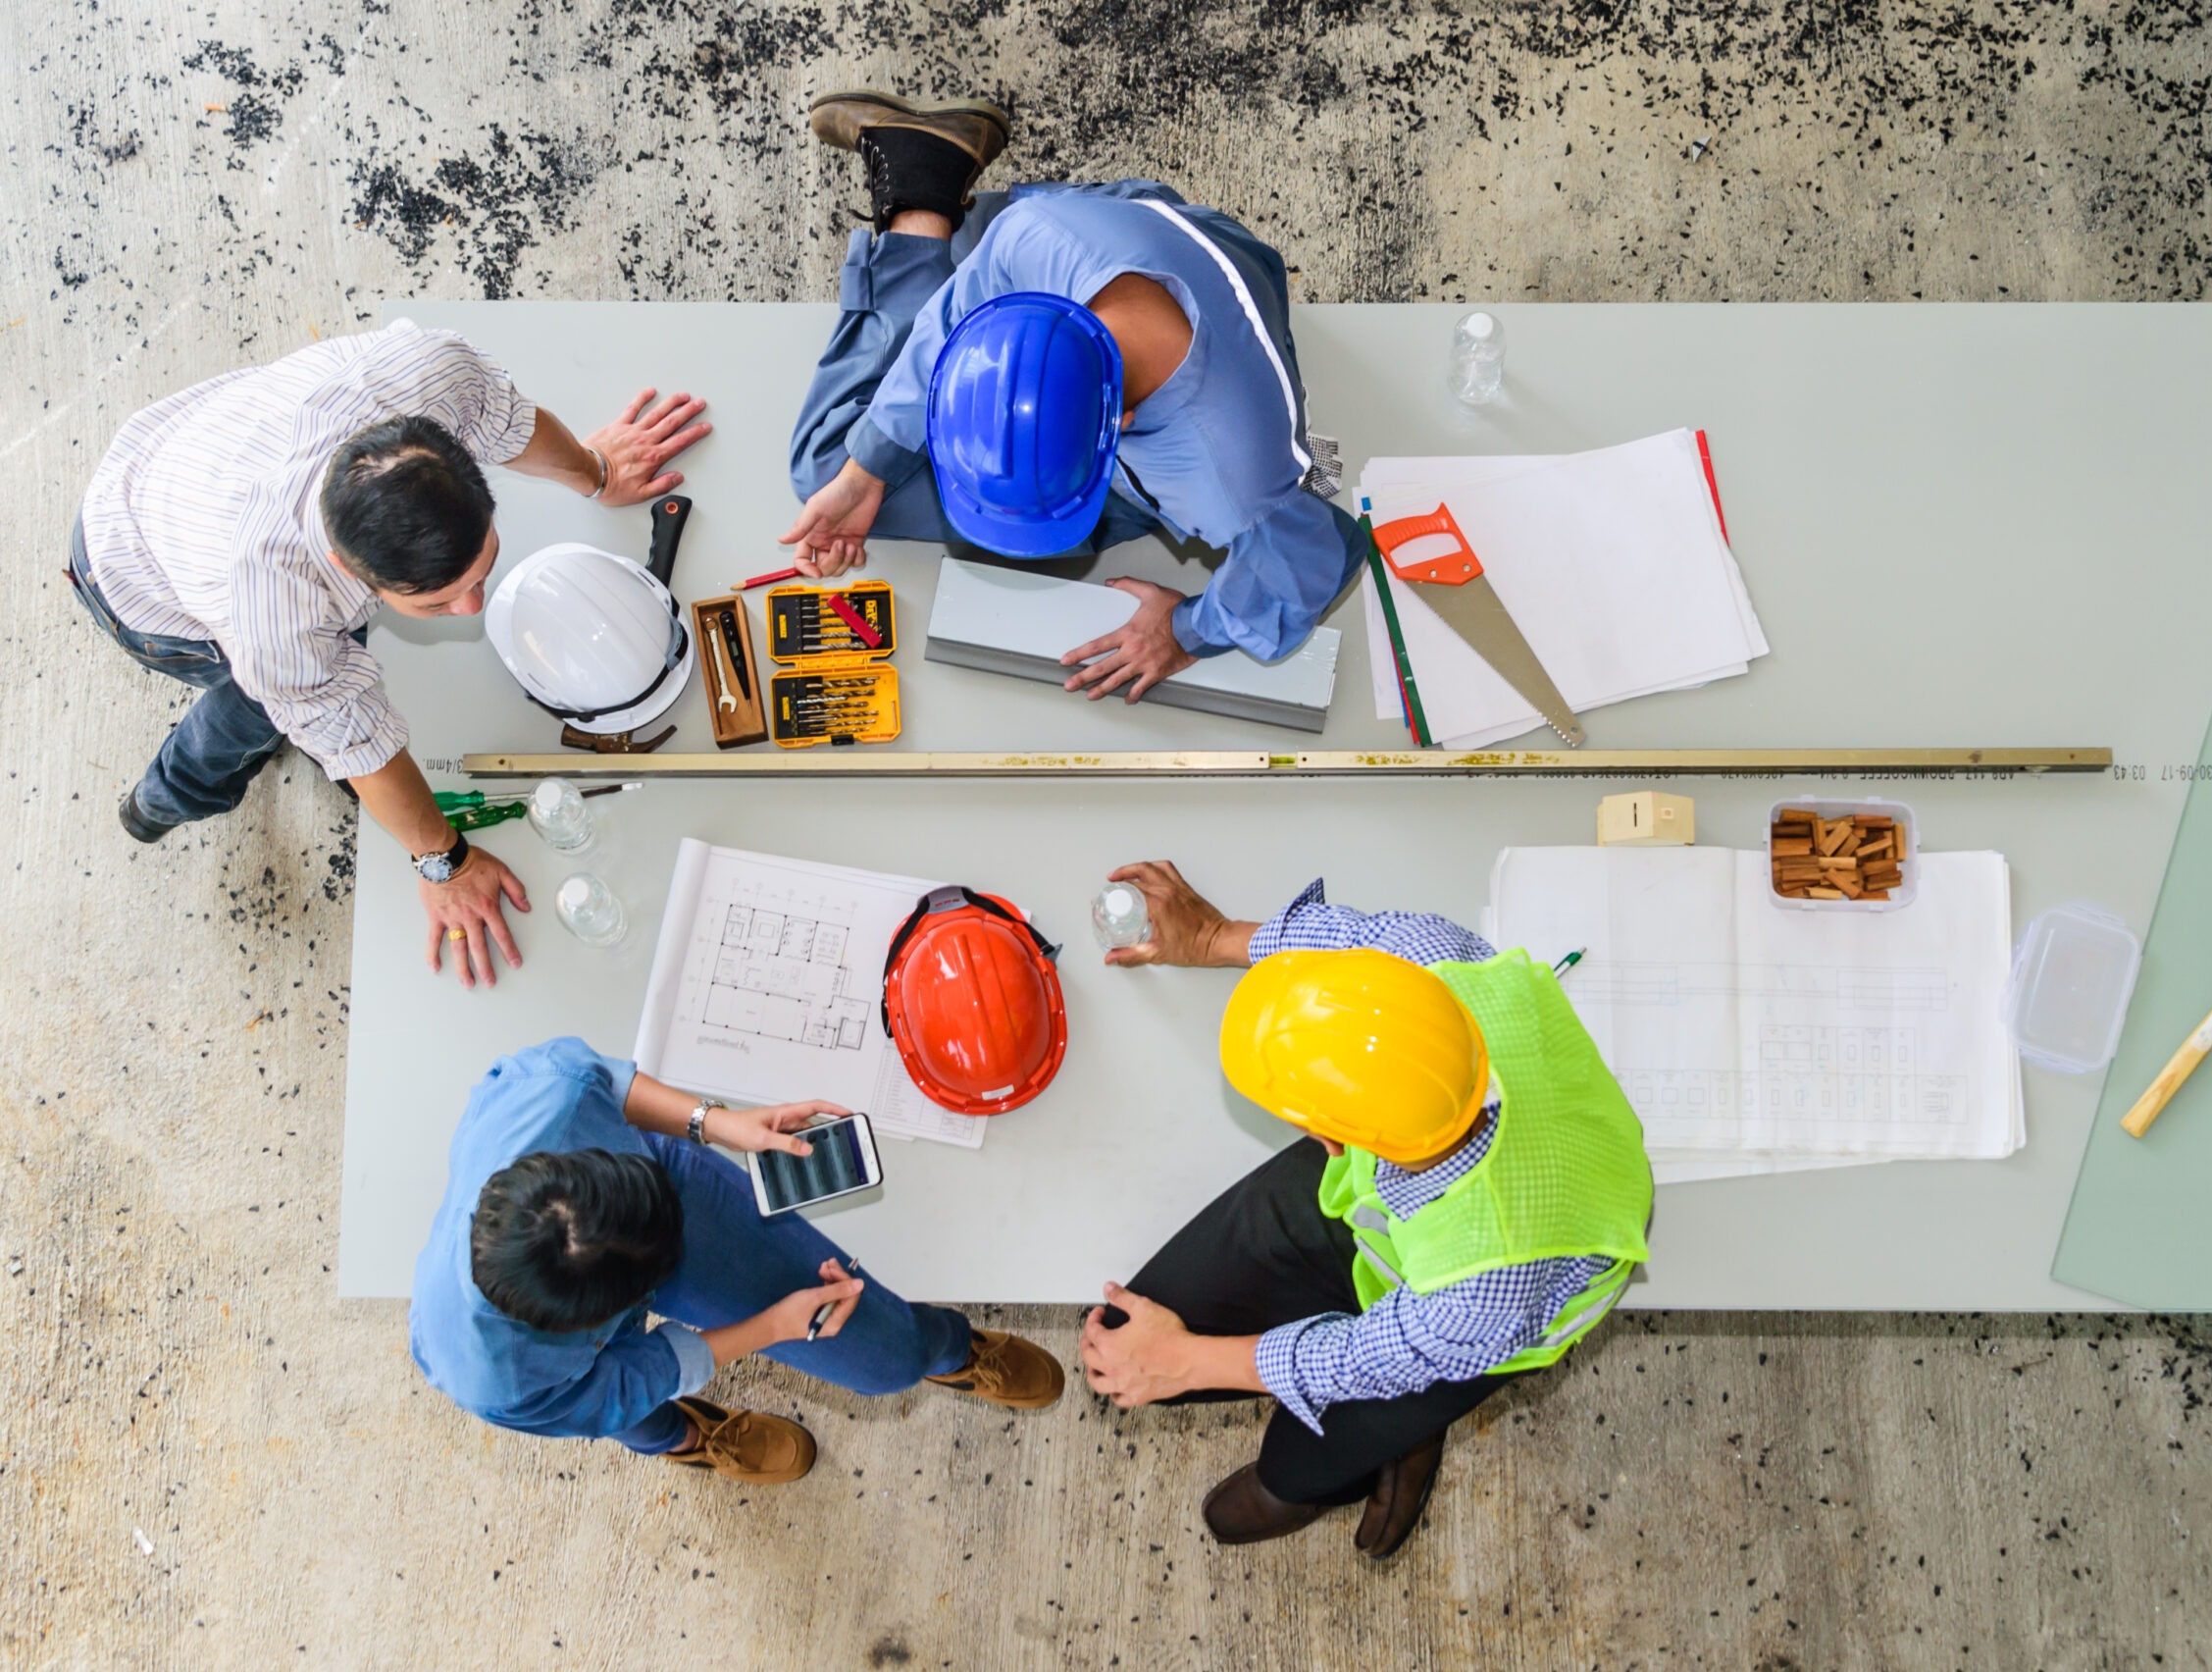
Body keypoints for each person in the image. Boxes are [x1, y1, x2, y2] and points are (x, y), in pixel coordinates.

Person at [69, 322, 712, 987]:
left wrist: (597, 472)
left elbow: (514, 426)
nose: (472, 610)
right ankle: (169, 797)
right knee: (258, 706)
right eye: (435, 604)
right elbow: (358, 743)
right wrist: (446, 864)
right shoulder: (279, 614)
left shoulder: (432, 374)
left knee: (298, 692)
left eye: (481, 572)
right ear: (346, 569)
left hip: (198, 454)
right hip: (135, 568)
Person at [1078, 862, 1654, 1559]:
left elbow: (1356, 1362)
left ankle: (1362, 1454)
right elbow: (1345, 940)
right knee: (1130, 1326)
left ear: (1328, 1138)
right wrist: (1213, 936)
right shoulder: (1440, 962)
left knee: (1306, 1457)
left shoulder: (1483, 1284)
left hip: (1480, 1298)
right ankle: (1385, 1419)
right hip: (1401, 1210)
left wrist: (1183, 1361)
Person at [781, 91, 1366, 704]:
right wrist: (867, 470)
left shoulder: (1235, 481)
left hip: (1208, 316)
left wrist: (1188, 631)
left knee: (821, 461)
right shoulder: (1029, 238)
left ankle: (926, 187)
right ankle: (927, 174)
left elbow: (1321, 555)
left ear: (1121, 429)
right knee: (842, 465)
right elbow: (949, 323)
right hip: (1112, 222)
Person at [410, 1038, 1064, 1482]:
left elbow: (604, 1084)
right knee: (630, 1412)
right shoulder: (502, 1380)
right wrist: (771, 1327)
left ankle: (941, 1348)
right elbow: (625, 1378)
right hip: (569, 1378)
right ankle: (688, 1440)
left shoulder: (547, 1097)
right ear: (598, 1318)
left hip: (642, 1202)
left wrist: (713, 1124)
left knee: (884, 1360)